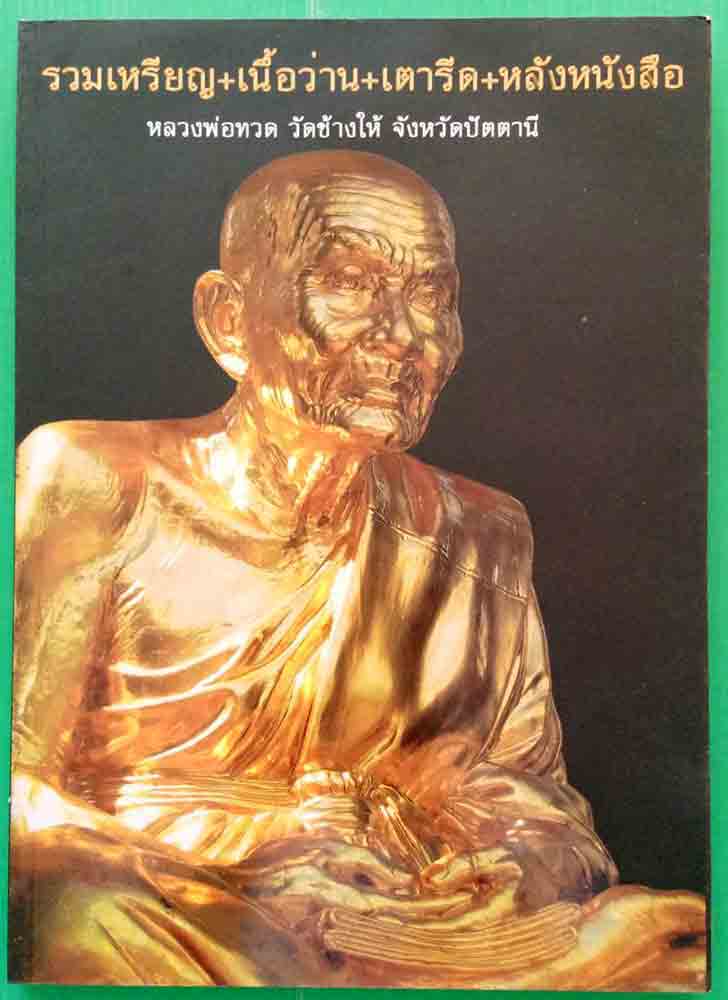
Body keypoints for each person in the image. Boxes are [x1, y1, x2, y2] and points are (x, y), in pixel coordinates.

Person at [10, 150, 706, 988]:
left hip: (413, 912)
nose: (404, 336)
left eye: (432, 296)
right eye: (348, 282)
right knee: (85, 921)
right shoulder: (95, 479)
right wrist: (243, 859)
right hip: (183, 898)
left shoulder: (482, 532)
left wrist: (516, 864)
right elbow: (18, 791)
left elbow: (542, 804)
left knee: (677, 954)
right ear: (229, 319)